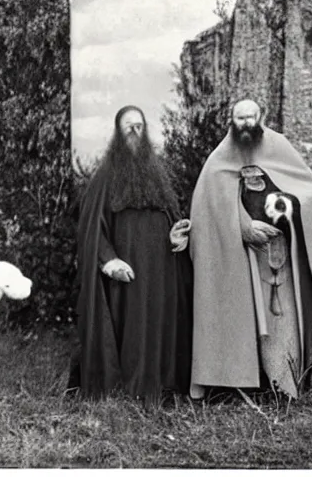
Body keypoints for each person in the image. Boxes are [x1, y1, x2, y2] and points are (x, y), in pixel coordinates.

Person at [188, 99, 312, 400]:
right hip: (241, 259)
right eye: (239, 117)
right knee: (244, 319)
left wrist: (288, 210)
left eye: (250, 117)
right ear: (231, 120)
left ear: (261, 117)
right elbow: (208, 209)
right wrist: (243, 227)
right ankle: (240, 385)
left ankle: (284, 386)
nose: (245, 123)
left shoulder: (279, 147)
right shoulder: (219, 159)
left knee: (282, 324)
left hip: (282, 258)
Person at [67, 105, 193, 406]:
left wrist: (176, 234)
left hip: (162, 269)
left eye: (139, 126)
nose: (135, 132)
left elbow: (166, 218)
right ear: (118, 133)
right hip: (128, 271)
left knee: (161, 323)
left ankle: (162, 384)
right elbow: (91, 228)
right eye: (128, 127)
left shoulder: (157, 174)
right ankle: (131, 388)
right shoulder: (105, 177)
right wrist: (109, 261)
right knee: (132, 328)